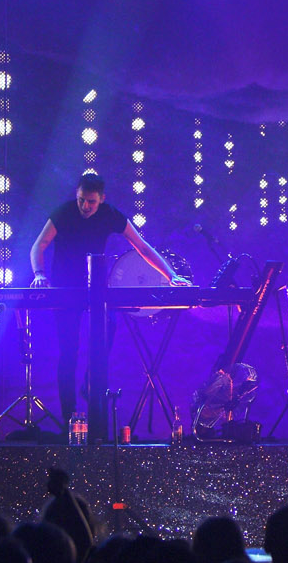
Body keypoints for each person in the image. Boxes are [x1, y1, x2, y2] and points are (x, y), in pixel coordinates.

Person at [28, 172, 188, 436]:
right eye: (81, 200)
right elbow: (39, 245)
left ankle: (90, 384)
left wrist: (170, 275)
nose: (85, 206)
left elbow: (142, 247)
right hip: (65, 288)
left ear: (101, 199)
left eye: (91, 201)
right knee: (68, 352)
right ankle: (69, 420)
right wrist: (39, 274)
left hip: (95, 287)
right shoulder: (64, 213)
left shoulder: (110, 214)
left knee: (109, 325)